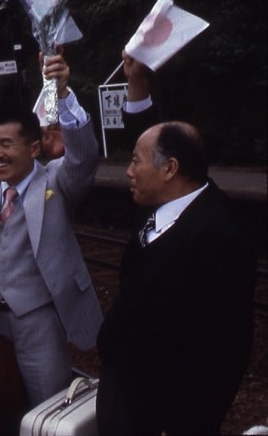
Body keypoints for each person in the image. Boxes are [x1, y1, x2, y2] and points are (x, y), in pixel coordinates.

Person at [0, 54, 102, 407]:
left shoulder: (54, 180)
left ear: (34, 148)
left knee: (46, 405)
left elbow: (83, 159)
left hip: (39, 320)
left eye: (7, 144)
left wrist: (64, 94)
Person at [96, 121, 256, 434]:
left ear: (169, 169)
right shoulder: (156, 206)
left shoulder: (221, 237)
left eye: (135, 161)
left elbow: (220, 352)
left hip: (162, 415)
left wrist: (184, 426)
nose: (129, 171)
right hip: (124, 394)